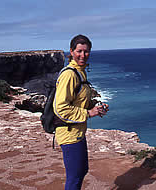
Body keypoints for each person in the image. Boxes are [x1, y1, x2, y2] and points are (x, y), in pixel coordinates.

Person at [53, 34, 109, 190]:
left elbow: (78, 100)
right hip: (69, 133)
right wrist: (88, 113)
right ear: (71, 52)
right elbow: (61, 108)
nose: (82, 55)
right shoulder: (69, 75)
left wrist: (95, 106)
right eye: (79, 51)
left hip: (78, 131)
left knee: (82, 170)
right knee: (75, 177)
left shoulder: (81, 72)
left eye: (86, 51)